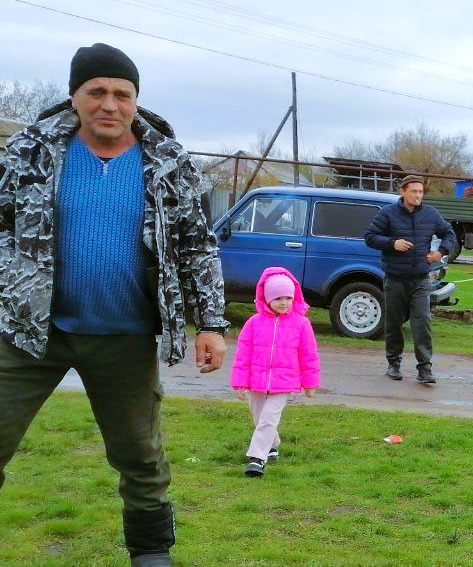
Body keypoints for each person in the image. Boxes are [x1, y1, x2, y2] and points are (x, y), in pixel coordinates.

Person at [0, 43, 228, 567]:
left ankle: (151, 555)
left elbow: (197, 244)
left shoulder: (170, 163)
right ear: (74, 97)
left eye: (121, 93)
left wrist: (211, 323)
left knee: (140, 456)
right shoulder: (30, 152)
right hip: (31, 332)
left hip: (125, 337)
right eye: (96, 91)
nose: (109, 103)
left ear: (136, 100)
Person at [363, 175, 458, 384]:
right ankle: (393, 364)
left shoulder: (431, 214)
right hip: (395, 278)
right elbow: (369, 237)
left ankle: (425, 368)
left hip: (420, 279)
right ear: (403, 192)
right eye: (414, 191)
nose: (418, 196)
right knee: (394, 322)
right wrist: (392, 243)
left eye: (421, 192)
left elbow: (450, 234)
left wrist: (440, 252)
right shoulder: (388, 214)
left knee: (422, 322)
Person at [230, 267, 321, 478]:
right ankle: (272, 445)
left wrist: (310, 383)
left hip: (285, 382)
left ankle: (256, 459)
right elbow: (243, 355)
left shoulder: (301, 324)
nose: (284, 302)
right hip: (256, 381)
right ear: (266, 298)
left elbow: (309, 355)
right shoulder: (253, 323)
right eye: (278, 297)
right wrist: (240, 382)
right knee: (260, 417)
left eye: (288, 297)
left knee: (269, 418)